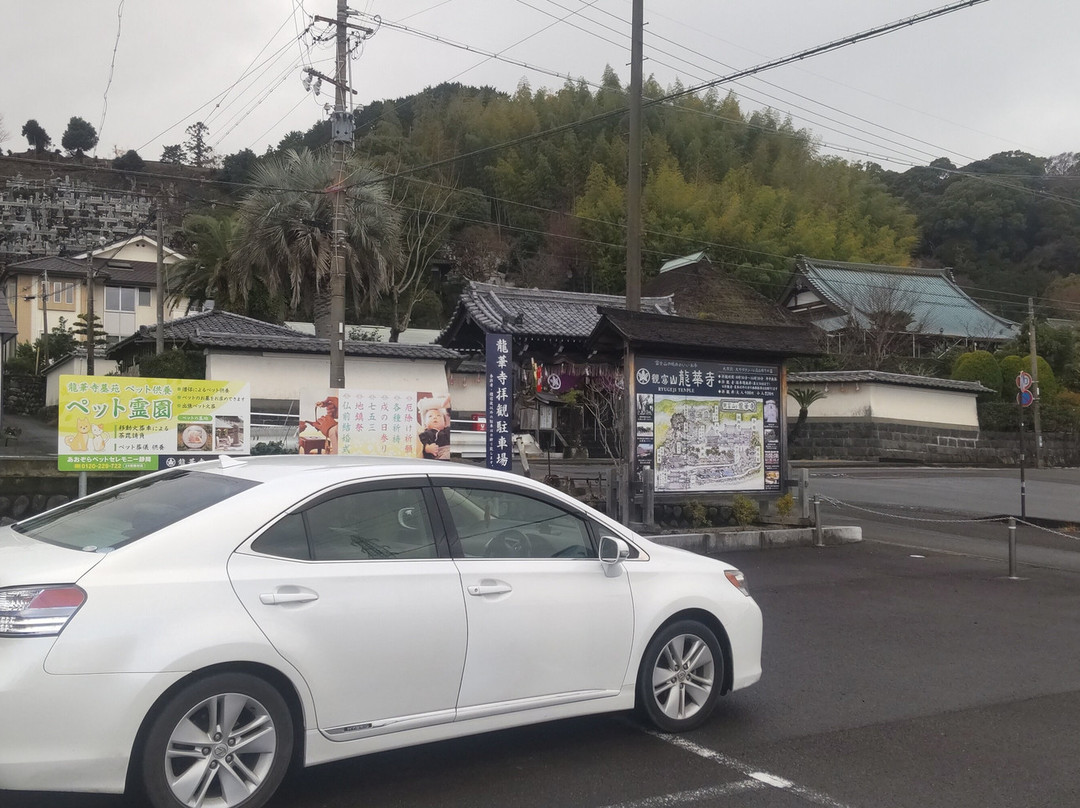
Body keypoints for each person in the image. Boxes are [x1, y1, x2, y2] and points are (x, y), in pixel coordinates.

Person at [417, 395, 452, 460]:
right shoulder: (426, 433)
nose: (435, 417)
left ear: (445, 423)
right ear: (425, 424)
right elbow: (421, 442)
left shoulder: (447, 430)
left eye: (439, 416)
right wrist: (427, 448)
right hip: (437, 455)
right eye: (430, 416)